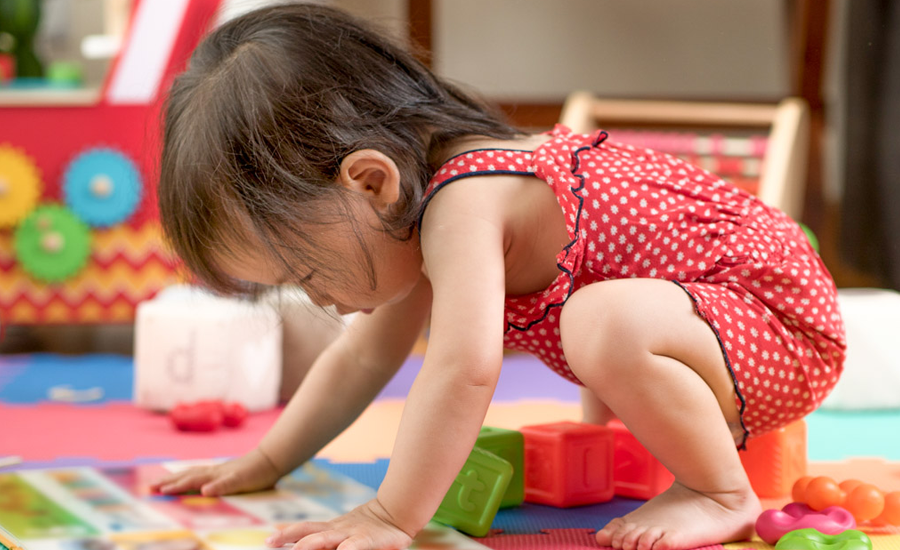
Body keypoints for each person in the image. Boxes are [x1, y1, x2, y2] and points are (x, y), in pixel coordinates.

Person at [149, 4, 847, 550]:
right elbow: (363, 356)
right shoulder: (415, 210)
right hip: (718, 331)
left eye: (306, 271)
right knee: (600, 321)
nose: (319, 298)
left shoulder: (464, 201)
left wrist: (393, 513)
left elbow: (464, 369)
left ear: (369, 181)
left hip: (778, 327)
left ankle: (721, 492)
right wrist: (267, 459)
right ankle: (670, 462)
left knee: (599, 322)